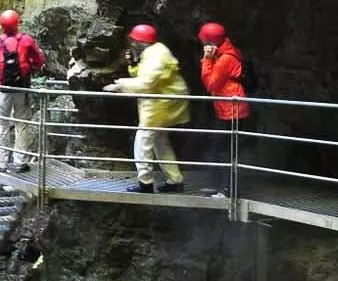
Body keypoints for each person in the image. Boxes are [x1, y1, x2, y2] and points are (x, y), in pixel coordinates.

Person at [103, 24, 190, 193]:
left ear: (140, 41)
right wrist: (133, 64)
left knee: (143, 140)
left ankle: (145, 183)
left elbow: (147, 83)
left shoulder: (156, 56)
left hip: (162, 103)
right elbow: (144, 76)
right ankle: (175, 180)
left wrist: (120, 85)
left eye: (134, 40)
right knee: (160, 141)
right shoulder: (153, 51)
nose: (132, 43)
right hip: (162, 102)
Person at [0, 9, 46, 173]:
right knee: (22, 124)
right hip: (21, 88)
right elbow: (40, 61)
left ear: (1, 25)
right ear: (17, 23)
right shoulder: (26, 40)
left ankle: (0, 163)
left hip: (3, 89)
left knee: (2, 124)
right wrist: (30, 63)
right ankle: (20, 162)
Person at [197, 22, 251, 198]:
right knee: (219, 148)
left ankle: (227, 190)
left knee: (225, 150)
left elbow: (211, 83)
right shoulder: (225, 53)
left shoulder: (226, 58)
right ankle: (220, 186)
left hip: (232, 110)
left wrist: (207, 60)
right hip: (227, 108)